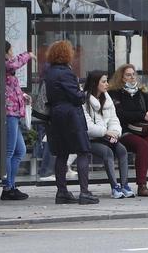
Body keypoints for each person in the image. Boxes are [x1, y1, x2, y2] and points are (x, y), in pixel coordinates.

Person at [44, 40, 98, 204]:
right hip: (71, 115)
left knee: (62, 153)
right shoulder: (66, 73)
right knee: (83, 151)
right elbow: (76, 97)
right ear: (66, 54)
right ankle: (84, 192)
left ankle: (62, 192)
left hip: (56, 115)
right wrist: (84, 93)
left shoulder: (49, 72)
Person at [110, 63, 148, 197]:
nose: (132, 77)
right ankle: (142, 185)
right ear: (121, 77)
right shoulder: (115, 93)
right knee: (143, 145)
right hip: (125, 130)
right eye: (128, 75)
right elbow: (120, 114)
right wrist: (142, 115)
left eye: (133, 74)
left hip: (143, 130)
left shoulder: (141, 92)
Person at [82, 70, 133, 199]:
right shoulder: (85, 101)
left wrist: (115, 133)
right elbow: (87, 127)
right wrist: (106, 132)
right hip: (90, 139)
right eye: (104, 82)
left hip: (106, 137)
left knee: (122, 150)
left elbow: (114, 119)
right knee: (107, 152)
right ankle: (115, 187)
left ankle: (125, 185)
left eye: (107, 81)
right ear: (95, 83)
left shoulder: (107, 98)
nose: (107, 84)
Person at [1, 41, 34, 200]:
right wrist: (28, 55)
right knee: (9, 151)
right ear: (5, 52)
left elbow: (11, 90)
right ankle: (8, 187)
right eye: (10, 50)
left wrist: (23, 96)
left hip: (14, 113)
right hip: (9, 113)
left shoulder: (8, 70)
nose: (12, 53)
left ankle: (11, 185)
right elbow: (14, 63)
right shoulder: (5, 65)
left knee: (20, 150)